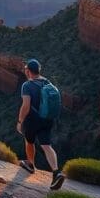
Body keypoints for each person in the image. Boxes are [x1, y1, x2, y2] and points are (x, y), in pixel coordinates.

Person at [16, 58, 65, 190]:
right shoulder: (47, 82)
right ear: (39, 70)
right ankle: (56, 172)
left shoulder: (27, 85)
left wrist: (20, 121)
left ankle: (31, 165)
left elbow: (25, 106)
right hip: (47, 119)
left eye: (26, 69)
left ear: (28, 71)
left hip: (33, 120)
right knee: (47, 146)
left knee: (29, 141)